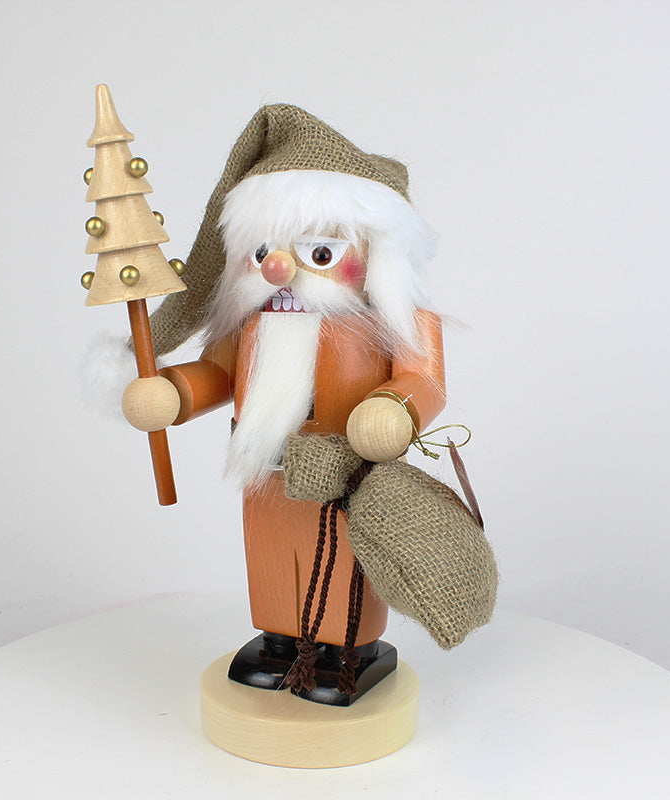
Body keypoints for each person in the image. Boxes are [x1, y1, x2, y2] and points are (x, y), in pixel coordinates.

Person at [120, 104, 446, 705]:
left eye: (319, 252)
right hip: (264, 467)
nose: (280, 267)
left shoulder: (396, 321)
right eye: (265, 249)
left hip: (347, 470)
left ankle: (345, 651)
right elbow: (216, 374)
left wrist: (393, 408)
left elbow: (424, 380)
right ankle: (279, 641)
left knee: (344, 559)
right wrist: (170, 393)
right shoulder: (251, 322)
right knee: (272, 555)